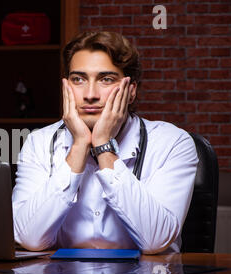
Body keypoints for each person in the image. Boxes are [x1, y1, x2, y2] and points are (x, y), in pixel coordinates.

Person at [12, 31, 198, 254]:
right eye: (78, 79)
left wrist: (103, 146)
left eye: (106, 79)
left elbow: (155, 241)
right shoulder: (38, 143)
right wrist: (80, 145)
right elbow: (28, 239)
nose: (90, 94)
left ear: (131, 92)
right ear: (66, 86)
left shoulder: (173, 143)